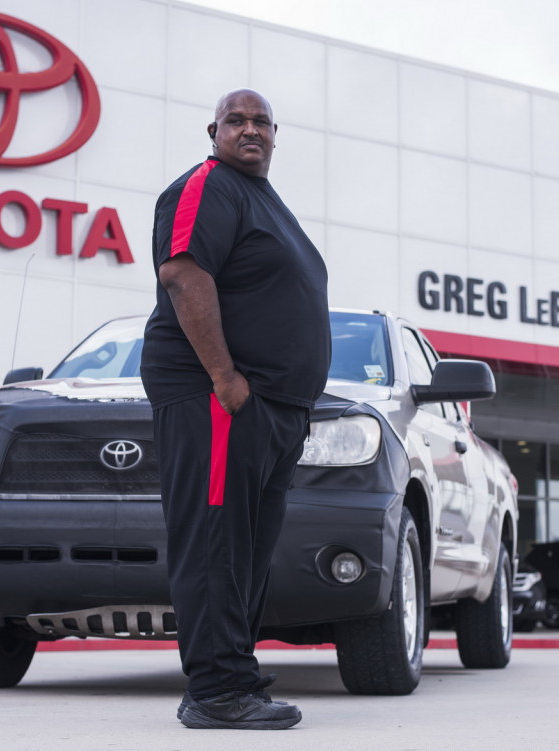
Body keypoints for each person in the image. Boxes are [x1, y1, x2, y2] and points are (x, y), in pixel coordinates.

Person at [140, 89, 330, 730]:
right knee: (215, 541)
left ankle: (233, 676)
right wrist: (225, 379)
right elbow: (184, 273)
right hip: (218, 398)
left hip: (273, 408)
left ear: (276, 133)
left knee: (247, 549)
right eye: (236, 120)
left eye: (260, 122)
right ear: (213, 131)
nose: (250, 130)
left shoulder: (263, 199)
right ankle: (217, 691)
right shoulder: (208, 185)